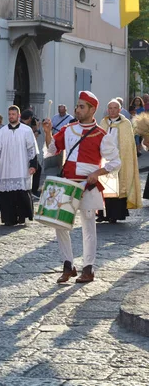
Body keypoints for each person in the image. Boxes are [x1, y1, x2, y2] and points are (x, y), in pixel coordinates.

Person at [42, 91, 120, 284]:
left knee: (88, 228)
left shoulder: (101, 135)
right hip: (67, 185)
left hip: (88, 186)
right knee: (59, 225)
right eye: (77, 106)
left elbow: (115, 162)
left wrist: (97, 174)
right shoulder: (68, 129)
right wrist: (47, 132)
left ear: (92, 109)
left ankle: (88, 268)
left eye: (82, 106)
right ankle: (68, 265)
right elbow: (52, 150)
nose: (77, 109)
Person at [0, 106, 38, 226]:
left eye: (13, 114)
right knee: (6, 195)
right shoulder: (2, 132)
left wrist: (33, 165)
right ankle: (9, 218)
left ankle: (22, 217)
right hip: (6, 168)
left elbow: (31, 148)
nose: (11, 116)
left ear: (19, 115)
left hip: (21, 166)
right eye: (10, 114)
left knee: (21, 193)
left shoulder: (26, 130)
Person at [96, 99, 142, 223]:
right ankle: (102, 214)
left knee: (116, 187)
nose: (112, 110)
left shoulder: (126, 124)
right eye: (110, 108)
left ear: (120, 110)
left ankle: (115, 214)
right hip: (105, 159)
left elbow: (128, 146)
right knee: (103, 186)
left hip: (119, 160)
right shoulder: (103, 122)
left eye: (115, 108)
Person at [20, 109, 43, 197]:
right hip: (27, 153)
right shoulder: (26, 128)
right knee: (37, 169)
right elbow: (33, 141)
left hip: (22, 152)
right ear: (29, 118)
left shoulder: (20, 125)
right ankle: (33, 190)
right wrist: (36, 129)